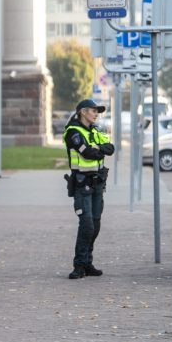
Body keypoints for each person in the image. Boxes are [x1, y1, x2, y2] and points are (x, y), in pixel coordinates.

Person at [62, 99, 115, 279]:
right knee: (87, 225)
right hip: (82, 184)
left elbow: (111, 148)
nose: (96, 114)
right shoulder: (73, 132)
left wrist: (98, 148)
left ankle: (87, 263)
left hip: (98, 183)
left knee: (95, 225)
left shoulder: (95, 131)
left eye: (97, 111)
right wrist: (99, 150)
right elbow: (87, 152)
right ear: (83, 112)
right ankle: (79, 265)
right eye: (93, 110)